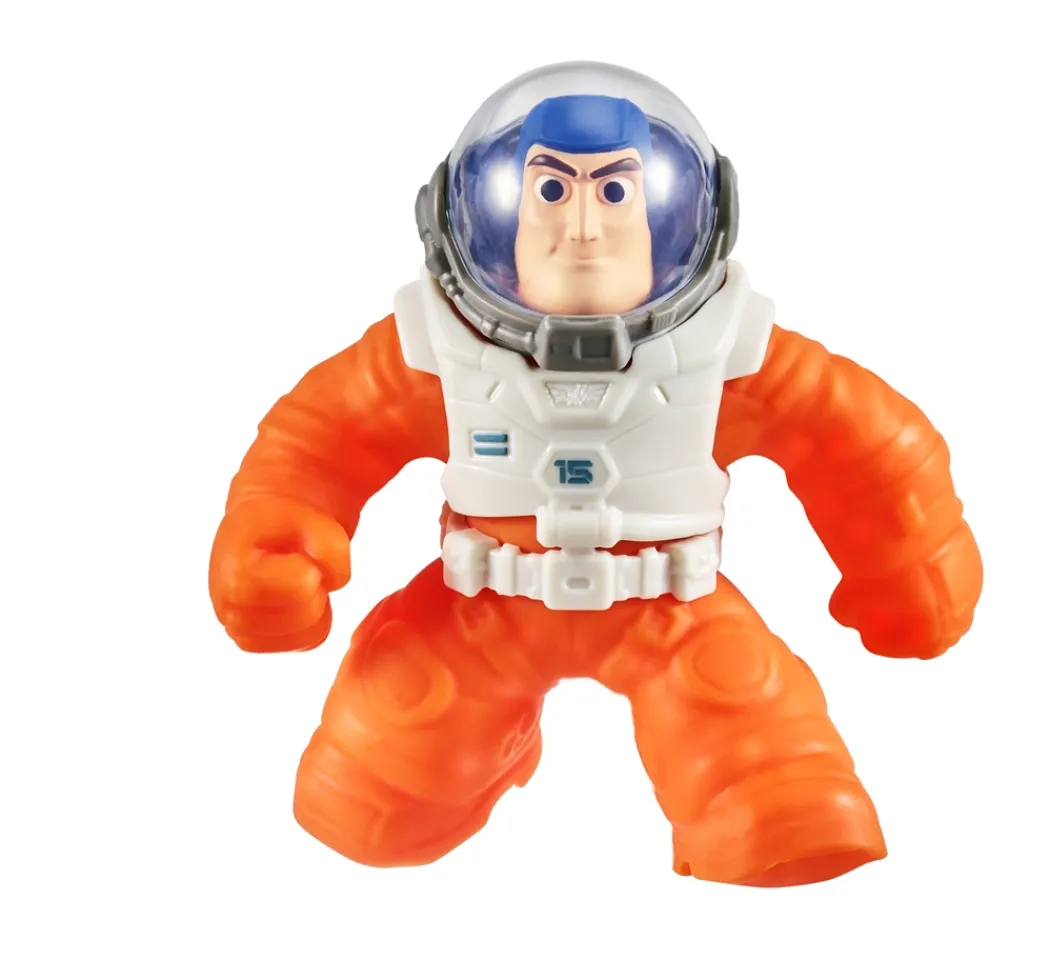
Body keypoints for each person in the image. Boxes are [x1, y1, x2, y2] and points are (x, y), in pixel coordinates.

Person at [209, 61, 983, 887]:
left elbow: (864, 445)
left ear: (682, 221)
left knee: (776, 799)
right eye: (550, 191)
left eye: (615, 193)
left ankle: (761, 820)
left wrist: (913, 571)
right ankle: (473, 755)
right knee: (367, 800)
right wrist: (268, 547)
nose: (582, 230)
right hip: (478, 612)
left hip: (673, 613)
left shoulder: (728, 355)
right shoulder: (432, 354)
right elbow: (316, 443)